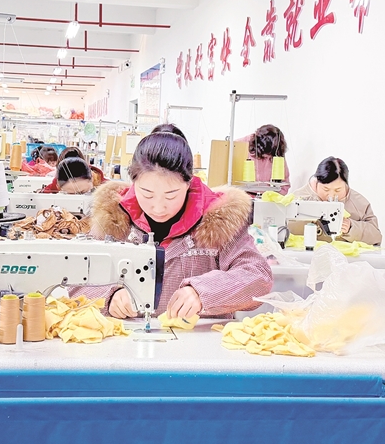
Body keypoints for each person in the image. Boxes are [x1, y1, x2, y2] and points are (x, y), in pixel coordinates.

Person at [85, 131, 272, 320]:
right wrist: (109, 296)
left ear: (189, 182)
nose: (158, 207)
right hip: (127, 337)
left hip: (202, 339)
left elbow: (259, 277)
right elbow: (77, 277)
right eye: (147, 194)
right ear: (133, 182)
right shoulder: (111, 220)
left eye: (171, 195)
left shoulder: (220, 222)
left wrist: (203, 292)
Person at [294, 157, 381, 245]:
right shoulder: (298, 198)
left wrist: (352, 227)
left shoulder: (359, 203)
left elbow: (376, 236)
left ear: (346, 185)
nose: (331, 195)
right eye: (326, 189)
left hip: (345, 253)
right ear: (316, 182)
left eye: (338, 190)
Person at [242, 124, 290, 193]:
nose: (267, 157)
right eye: (265, 155)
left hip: (267, 197)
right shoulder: (239, 145)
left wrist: (275, 197)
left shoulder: (276, 151)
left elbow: (284, 184)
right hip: (242, 196)